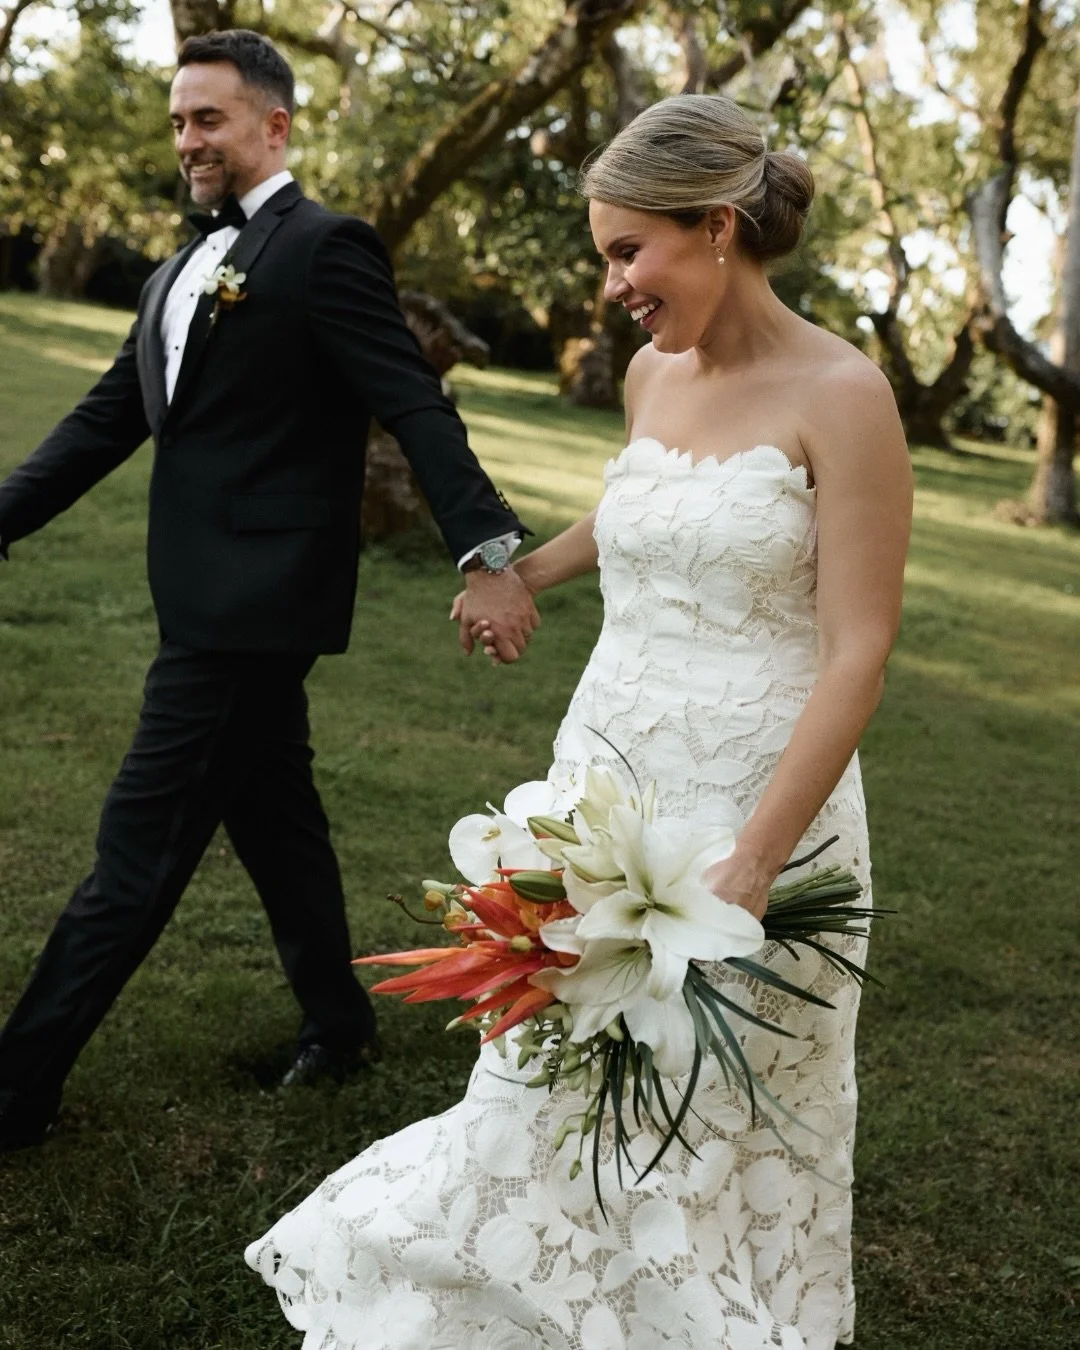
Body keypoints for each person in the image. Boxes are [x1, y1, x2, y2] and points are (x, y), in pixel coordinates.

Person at [245, 94, 911, 1349]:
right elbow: (643, 516)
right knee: (546, 1073)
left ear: (716, 226)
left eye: (627, 251)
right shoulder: (654, 376)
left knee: (711, 1098)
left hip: (758, 798)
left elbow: (859, 650)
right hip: (607, 763)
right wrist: (523, 572)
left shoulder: (846, 393)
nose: (612, 286)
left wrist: (758, 859)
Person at [0, 29, 539, 1154]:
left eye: (210, 119)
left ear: (273, 126)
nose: (188, 139)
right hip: (198, 595)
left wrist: (487, 550)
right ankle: (339, 1028)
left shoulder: (325, 247)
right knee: (275, 817)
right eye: (178, 121)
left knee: (134, 851)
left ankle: (18, 1087)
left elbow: (413, 399)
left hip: (253, 609)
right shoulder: (172, 272)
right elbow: (108, 420)